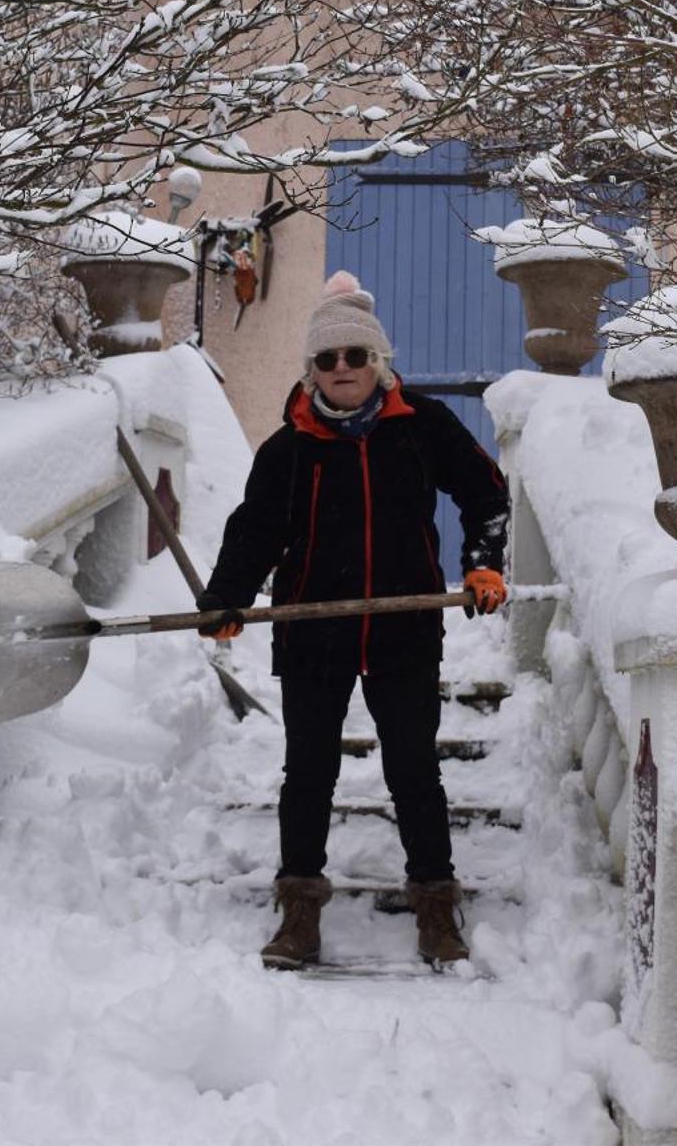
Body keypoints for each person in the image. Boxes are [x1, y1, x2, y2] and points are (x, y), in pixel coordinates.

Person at [197, 271, 510, 970]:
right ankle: (299, 910)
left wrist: (485, 563)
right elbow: (255, 532)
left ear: (380, 361)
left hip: (403, 630)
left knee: (413, 767)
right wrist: (226, 597)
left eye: (357, 357)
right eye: (328, 359)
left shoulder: (424, 426)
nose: (344, 370)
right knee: (307, 770)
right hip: (313, 630)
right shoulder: (288, 450)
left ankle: (435, 902)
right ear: (311, 368)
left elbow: (486, 493)